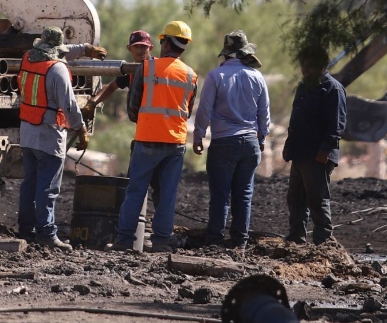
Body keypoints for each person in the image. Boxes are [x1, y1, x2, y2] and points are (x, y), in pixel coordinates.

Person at [17, 26, 106, 251]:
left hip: (28, 132)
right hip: (49, 135)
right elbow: (69, 105)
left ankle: (26, 231)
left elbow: (62, 51)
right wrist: (82, 129)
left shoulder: (28, 57)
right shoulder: (57, 70)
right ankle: (47, 233)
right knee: (48, 188)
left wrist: (85, 49)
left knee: (30, 184)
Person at [113, 21, 198, 253]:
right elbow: (187, 110)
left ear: (165, 42)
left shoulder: (148, 68)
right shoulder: (191, 75)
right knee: (167, 194)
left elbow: (133, 106)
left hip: (147, 138)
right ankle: (161, 241)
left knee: (136, 191)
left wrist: (146, 122)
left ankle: (124, 241)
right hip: (176, 143)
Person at [192, 30, 270, 249]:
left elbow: (204, 110)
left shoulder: (216, 76)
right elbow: (264, 113)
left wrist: (198, 136)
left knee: (220, 194)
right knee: (244, 194)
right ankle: (240, 243)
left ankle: (215, 240)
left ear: (226, 53)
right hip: (250, 143)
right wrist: (262, 137)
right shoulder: (257, 77)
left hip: (223, 143)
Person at [83, 30, 162, 209]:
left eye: (144, 47)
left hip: (162, 132)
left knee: (159, 184)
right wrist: (93, 102)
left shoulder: (158, 68)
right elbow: (111, 87)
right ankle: (136, 220)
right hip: (144, 132)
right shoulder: (131, 71)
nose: (141, 51)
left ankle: (156, 224)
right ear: (129, 49)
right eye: (137, 47)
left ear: (151, 48)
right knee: (136, 181)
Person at [283, 45, 346, 245]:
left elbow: (337, 123)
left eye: (307, 65)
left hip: (317, 154)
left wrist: (325, 150)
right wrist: (290, 146)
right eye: (303, 64)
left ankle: (323, 241)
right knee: (295, 198)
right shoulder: (304, 86)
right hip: (300, 152)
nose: (303, 68)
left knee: (318, 199)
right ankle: (296, 238)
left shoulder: (332, 88)